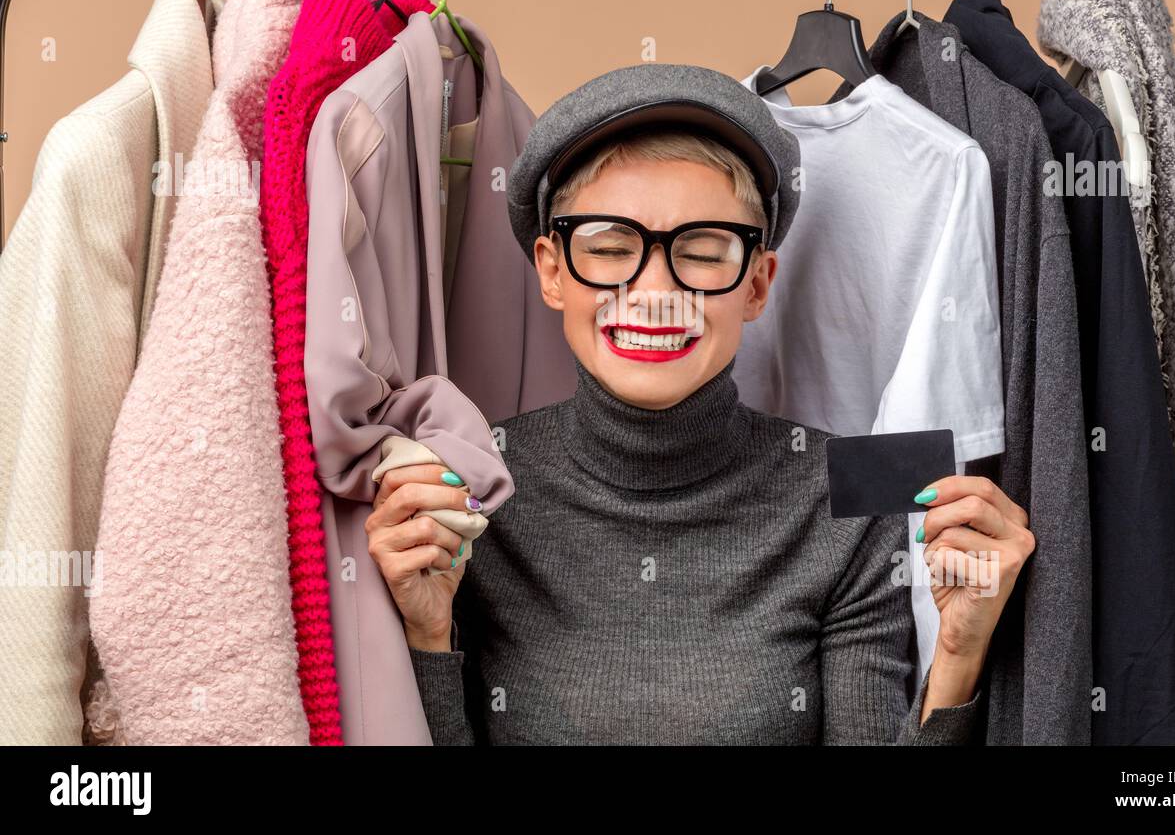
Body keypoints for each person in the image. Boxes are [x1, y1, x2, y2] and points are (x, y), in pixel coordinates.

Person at [362, 63, 1035, 744]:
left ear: (757, 284)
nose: (655, 291)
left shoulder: (840, 507)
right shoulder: (470, 493)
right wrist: (426, 637)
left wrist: (957, 660)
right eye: (611, 246)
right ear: (552, 270)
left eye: (704, 251)